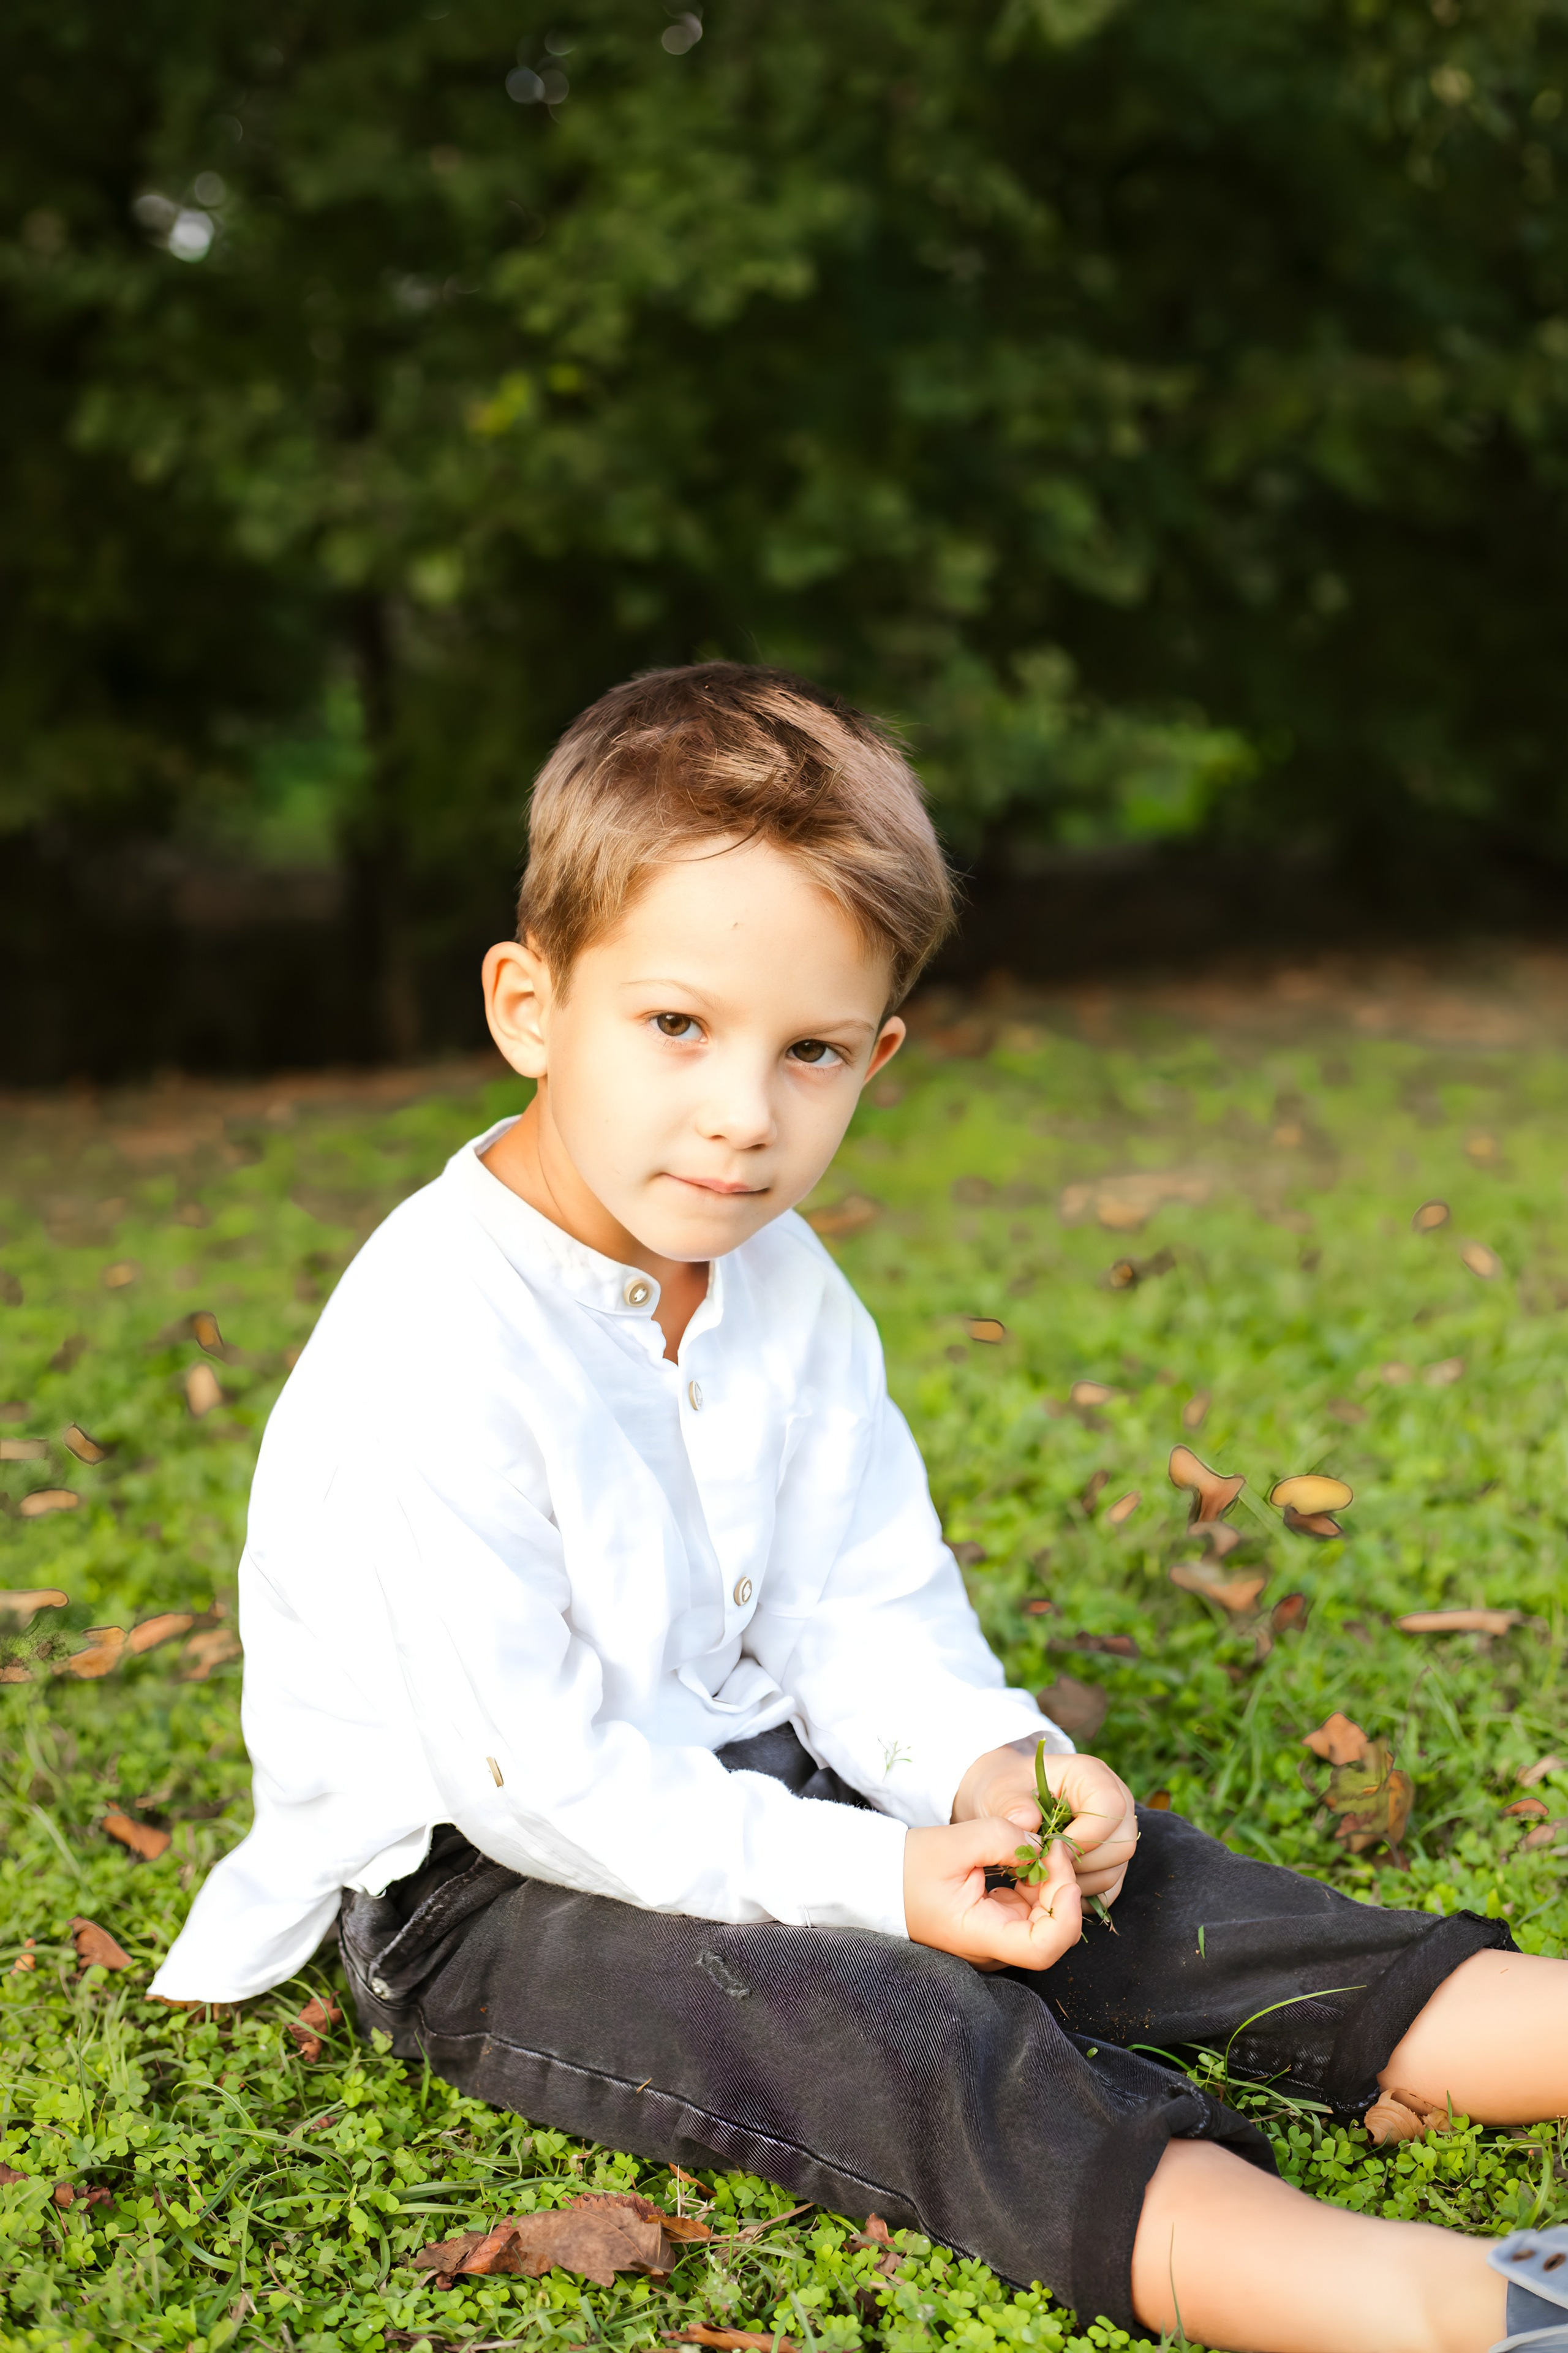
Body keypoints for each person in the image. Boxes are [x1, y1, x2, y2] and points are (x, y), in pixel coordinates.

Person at [151, 663, 1568, 2353]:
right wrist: (887, 1880)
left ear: (877, 1051)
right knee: (884, 2018)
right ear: (533, 1006)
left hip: (762, 1769)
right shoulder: (432, 1337)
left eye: (810, 1050)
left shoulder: (783, 1280)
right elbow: (545, 1785)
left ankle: (1495, 2026)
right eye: (676, 1025)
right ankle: (1441, 2305)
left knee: (1132, 1889)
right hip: (488, 1882)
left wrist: (987, 1766)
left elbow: (858, 1609)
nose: (744, 1116)